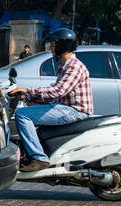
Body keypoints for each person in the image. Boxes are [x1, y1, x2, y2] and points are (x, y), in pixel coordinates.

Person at [8, 28, 92, 172]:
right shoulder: (65, 66)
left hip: (74, 111)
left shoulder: (74, 67)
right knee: (31, 111)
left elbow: (57, 91)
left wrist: (29, 91)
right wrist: (27, 96)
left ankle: (39, 158)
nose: (51, 48)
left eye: (53, 45)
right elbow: (55, 89)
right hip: (66, 107)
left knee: (23, 115)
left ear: (62, 46)